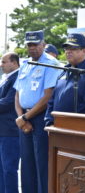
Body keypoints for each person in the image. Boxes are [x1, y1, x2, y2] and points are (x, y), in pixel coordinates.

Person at [14, 30, 61, 193]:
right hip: (24, 119)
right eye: (30, 45)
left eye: (36, 44)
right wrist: (21, 117)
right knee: (26, 166)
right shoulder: (25, 64)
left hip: (41, 118)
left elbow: (48, 96)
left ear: (43, 44)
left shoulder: (51, 64)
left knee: (42, 166)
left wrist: (26, 116)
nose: (32, 48)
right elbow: (18, 93)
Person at [45, 33, 85, 126]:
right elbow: (52, 101)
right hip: (55, 129)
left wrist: (68, 125)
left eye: (73, 48)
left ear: (84, 50)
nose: (68, 51)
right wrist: (49, 122)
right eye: (67, 48)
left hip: (77, 130)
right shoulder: (63, 72)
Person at [0, 52, 20, 193]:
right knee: (1, 169)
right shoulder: (6, 78)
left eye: (4, 62)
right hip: (3, 131)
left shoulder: (18, 77)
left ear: (14, 62)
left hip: (10, 131)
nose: (1, 65)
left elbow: (8, 103)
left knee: (9, 169)